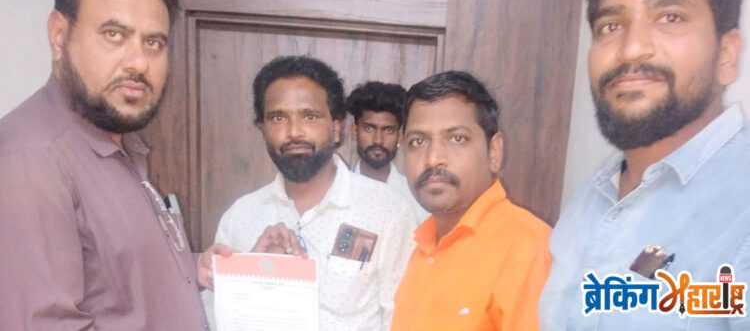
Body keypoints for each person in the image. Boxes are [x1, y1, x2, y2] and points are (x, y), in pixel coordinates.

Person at [540, 0, 750, 330]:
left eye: (670, 17)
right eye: (611, 26)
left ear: (726, 55)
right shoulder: (588, 202)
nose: (631, 48)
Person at [0, 0, 208, 329]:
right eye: (115, 35)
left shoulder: (119, 140)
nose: (139, 63)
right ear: (59, 35)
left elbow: (121, 281)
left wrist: (199, 267)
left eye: (153, 42)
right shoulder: (32, 162)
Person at [198, 56, 416, 331]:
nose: (294, 132)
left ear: (336, 127)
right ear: (262, 129)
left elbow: (402, 320)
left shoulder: (387, 211)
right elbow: (218, 320)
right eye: (278, 118)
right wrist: (249, 273)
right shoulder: (239, 218)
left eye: (310, 116)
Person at [391, 71, 551, 330]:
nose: (433, 158)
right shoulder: (424, 245)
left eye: (457, 138)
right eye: (418, 142)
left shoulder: (527, 248)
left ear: (494, 152)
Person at [346, 81, 429, 222]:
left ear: (400, 135)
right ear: (355, 131)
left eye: (388, 130)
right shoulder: (336, 191)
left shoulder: (417, 198)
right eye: (369, 128)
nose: (378, 140)